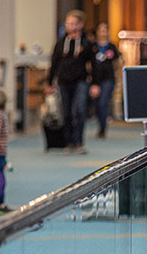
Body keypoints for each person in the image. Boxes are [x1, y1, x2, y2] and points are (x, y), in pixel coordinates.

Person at [47, 9, 99, 154]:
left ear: (81, 24)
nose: (70, 26)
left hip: (81, 81)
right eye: (68, 23)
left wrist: (95, 84)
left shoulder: (87, 43)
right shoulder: (60, 43)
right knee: (66, 112)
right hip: (64, 81)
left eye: (73, 23)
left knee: (80, 110)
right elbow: (54, 63)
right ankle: (68, 142)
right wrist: (50, 82)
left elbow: (94, 65)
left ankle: (79, 142)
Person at [90, 23, 119, 139]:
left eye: (105, 30)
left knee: (103, 103)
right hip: (95, 80)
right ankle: (100, 123)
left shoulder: (112, 47)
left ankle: (103, 128)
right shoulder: (93, 47)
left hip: (108, 79)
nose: (103, 33)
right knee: (96, 105)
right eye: (100, 30)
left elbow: (117, 63)